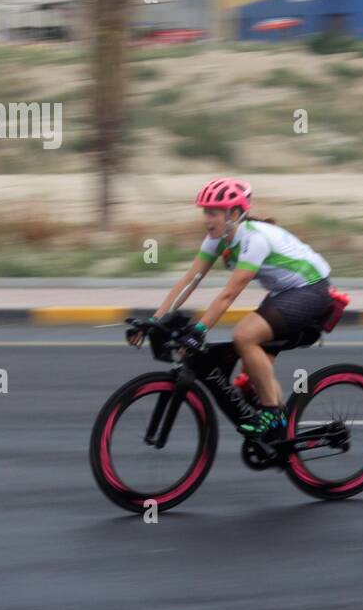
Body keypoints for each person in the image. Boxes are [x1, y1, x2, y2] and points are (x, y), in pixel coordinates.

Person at [127, 178, 334, 441]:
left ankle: (272, 413)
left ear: (234, 214)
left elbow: (229, 294)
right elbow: (190, 280)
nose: (206, 218)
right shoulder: (217, 238)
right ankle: (282, 436)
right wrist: (154, 322)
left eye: (213, 212)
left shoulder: (255, 239)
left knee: (245, 335)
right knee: (253, 375)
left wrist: (200, 330)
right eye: (205, 211)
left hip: (312, 290)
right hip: (284, 294)